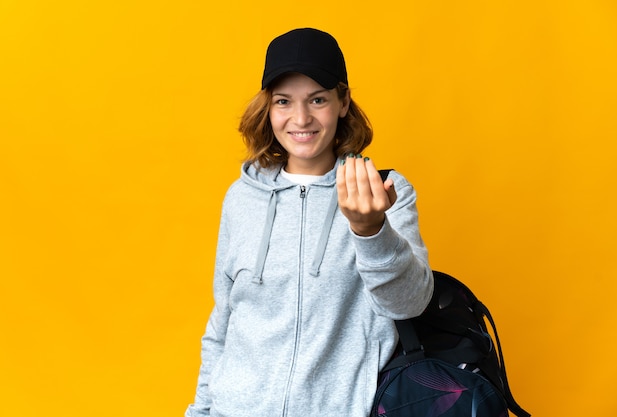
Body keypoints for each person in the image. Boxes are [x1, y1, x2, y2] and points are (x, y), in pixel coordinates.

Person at [185, 28, 433, 417]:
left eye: (317, 99)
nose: (301, 119)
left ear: (343, 101)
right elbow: (223, 323)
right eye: (284, 101)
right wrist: (200, 410)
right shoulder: (241, 198)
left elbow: (410, 303)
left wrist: (371, 231)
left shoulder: (382, 191)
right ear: (268, 107)